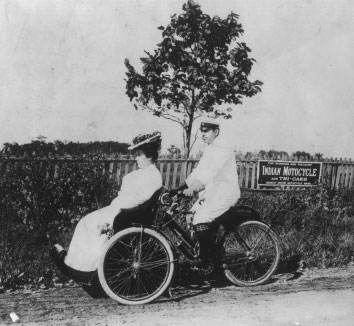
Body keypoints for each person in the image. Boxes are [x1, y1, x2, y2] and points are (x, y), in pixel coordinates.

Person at [50, 132, 163, 296]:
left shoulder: (153, 175)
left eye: (139, 155)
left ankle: (88, 272)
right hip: (120, 209)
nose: (136, 158)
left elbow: (141, 200)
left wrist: (118, 209)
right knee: (86, 222)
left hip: (127, 213)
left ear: (149, 155)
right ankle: (81, 268)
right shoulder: (141, 173)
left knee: (93, 225)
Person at [182, 119, 240, 269]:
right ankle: (208, 251)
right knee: (190, 215)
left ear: (216, 131)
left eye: (206, 131)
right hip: (213, 192)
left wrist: (193, 189)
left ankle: (205, 259)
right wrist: (179, 188)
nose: (203, 134)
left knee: (200, 218)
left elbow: (209, 172)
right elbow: (199, 171)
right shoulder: (210, 148)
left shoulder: (223, 147)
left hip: (225, 193)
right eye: (202, 131)